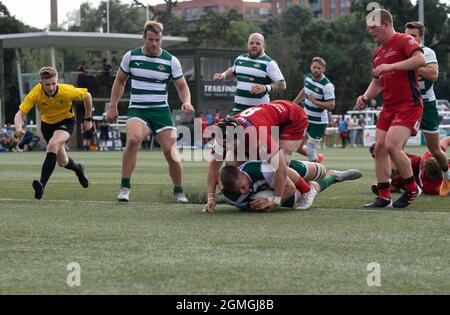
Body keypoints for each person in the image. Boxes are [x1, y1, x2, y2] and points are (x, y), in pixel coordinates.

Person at [107, 21, 195, 203]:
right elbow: (120, 81)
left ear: (162, 39)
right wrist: (113, 105)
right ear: (144, 38)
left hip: (161, 111)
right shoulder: (131, 57)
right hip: (138, 109)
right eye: (150, 39)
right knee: (132, 140)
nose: (154, 43)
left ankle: (179, 191)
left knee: (171, 151)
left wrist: (186, 102)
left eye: (157, 40)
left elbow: (182, 86)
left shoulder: (171, 61)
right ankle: (125, 187)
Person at [355, 9, 426, 208]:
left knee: (392, 146)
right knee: (379, 148)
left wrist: (391, 66)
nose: (370, 31)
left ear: (386, 24)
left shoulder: (404, 40)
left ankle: (413, 189)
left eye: (373, 27)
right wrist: (366, 96)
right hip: (389, 107)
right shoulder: (377, 53)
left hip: (408, 105)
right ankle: (384, 196)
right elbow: (377, 81)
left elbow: (420, 60)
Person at [203, 100, 316, 213]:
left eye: (232, 143)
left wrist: (276, 201)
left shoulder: (258, 135)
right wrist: (210, 198)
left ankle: (307, 190)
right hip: (266, 118)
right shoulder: (222, 136)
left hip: (293, 118)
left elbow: (280, 169)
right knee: (238, 162)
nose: (228, 147)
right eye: (225, 144)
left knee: (280, 165)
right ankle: (256, 186)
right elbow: (213, 169)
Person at [14, 66, 92, 199]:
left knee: (52, 145)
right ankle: (79, 169)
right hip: (47, 126)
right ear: (41, 83)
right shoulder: (36, 92)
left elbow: (87, 96)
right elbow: (20, 114)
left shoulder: (66, 90)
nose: (51, 87)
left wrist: (88, 119)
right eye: (47, 84)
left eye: (53, 83)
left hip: (66, 122)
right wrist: (18, 126)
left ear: (57, 80)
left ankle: (41, 184)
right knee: (62, 161)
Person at [405, 21, 450, 197]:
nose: (409, 39)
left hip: (426, 105)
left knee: (435, 150)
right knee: (392, 147)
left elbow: (433, 74)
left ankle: (446, 176)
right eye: (407, 35)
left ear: (421, 37)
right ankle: (402, 184)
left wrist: (415, 64)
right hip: (406, 103)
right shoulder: (400, 52)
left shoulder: (428, 52)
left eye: (413, 36)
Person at [219, 159, 362, 212]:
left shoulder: (260, 169)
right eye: (239, 191)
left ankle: (327, 175)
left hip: (283, 168)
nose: (244, 192)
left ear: (242, 174)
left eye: (243, 186)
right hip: (276, 185)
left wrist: (274, 201)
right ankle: (333, 178)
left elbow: (289, 185)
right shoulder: (232, 196)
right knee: (296, 199)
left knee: (320, 170)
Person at [213, 33, 286, 116]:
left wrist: (265, 87)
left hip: (259, 111)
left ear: (263, 45)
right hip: (238, 109)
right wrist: (223, 75)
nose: (254, 45)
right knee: (229, 128)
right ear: (247, 44)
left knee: (258, 129)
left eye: (258, 43)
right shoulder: (240, 59)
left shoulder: (269, 63)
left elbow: (282, 84)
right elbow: (233, 71)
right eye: (251, 43)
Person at [369, 137, 450, 196]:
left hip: (409, 175)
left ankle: (386, 183)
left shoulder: (429, 187)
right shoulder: (431, 156)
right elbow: (446, 140)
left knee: (399, 178)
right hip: (410, 171)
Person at [293, 56, 335, 163]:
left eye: (319, 68)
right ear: (311, 67)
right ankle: (317, 160)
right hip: (306, 118)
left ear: (323, 69)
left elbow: (331, 105)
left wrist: (315, 101)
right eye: (314, 67)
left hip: (318, 122)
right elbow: (305, 90)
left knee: (311, 149)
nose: (316, 70)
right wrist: (294, 103)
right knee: (296, 146)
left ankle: (315, 173)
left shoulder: (327, 85)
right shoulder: (308, 78)